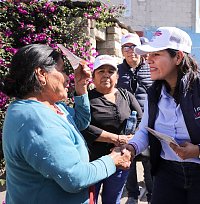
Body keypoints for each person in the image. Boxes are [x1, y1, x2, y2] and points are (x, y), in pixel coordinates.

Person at [121, 27, 200, 203]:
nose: (149, 61)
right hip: (167, 174)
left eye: (156, 55)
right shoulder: (153, 93)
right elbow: (145, 130)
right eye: (149, 56)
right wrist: (130, 149)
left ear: (178, 57)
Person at [0, 44, 131, 204]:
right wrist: (113, 159)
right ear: (42, 74)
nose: (67, 76)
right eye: (62, 70)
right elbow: (74, 177)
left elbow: (81, 122)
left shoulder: (53, 107)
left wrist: (81, 86)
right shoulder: (36, 119)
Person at [80, 55, 143, 204]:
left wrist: (129, 141)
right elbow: (83, 126)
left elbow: (141, 120)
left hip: (120, 159)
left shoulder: (126, 96)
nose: (106, 74)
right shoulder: (87, 99)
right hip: (93, 162)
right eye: (101, 71)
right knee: (90, 200)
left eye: (111, 71)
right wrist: (115, 138)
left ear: (117, 76)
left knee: (113, 199)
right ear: (93, 76)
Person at [117, 33, 154, 203]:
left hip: (147, 121)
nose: (131, 51)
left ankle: (151, 195)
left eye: (134, 47)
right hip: (125, 123)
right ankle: (132, 195)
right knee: (128, 159)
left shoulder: (150, 68)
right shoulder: (117, 71)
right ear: (122, 51)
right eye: (127, 47)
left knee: (149, 160)